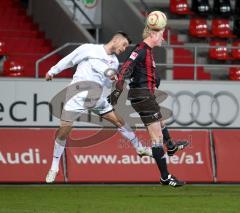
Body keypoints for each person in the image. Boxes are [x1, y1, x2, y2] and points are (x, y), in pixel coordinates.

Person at [44, 32, 153, 183]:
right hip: (77, 94)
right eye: (124, 45)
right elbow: (69, 60)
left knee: (120, 121)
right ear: (116, 40)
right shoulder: (89, 49)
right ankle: (54, 167)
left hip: (97, 97)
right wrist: (53, 71)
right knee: (64, 130)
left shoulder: (114, 62)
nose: (124, 49)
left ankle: (139, 148)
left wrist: (111, 82)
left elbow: (107, 83)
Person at [108, 11, 188, 187]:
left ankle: (172, 147)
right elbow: (127, 65)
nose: (163, 37)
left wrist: (154, 78)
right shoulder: (141, 50)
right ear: (152, 33)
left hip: (146, 95)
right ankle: (165, 177)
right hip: (142, 96)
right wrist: (118, 83)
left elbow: (142, 72)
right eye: (160, 34)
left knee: (161, 122)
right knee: (156, 137)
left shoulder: (148, 51)